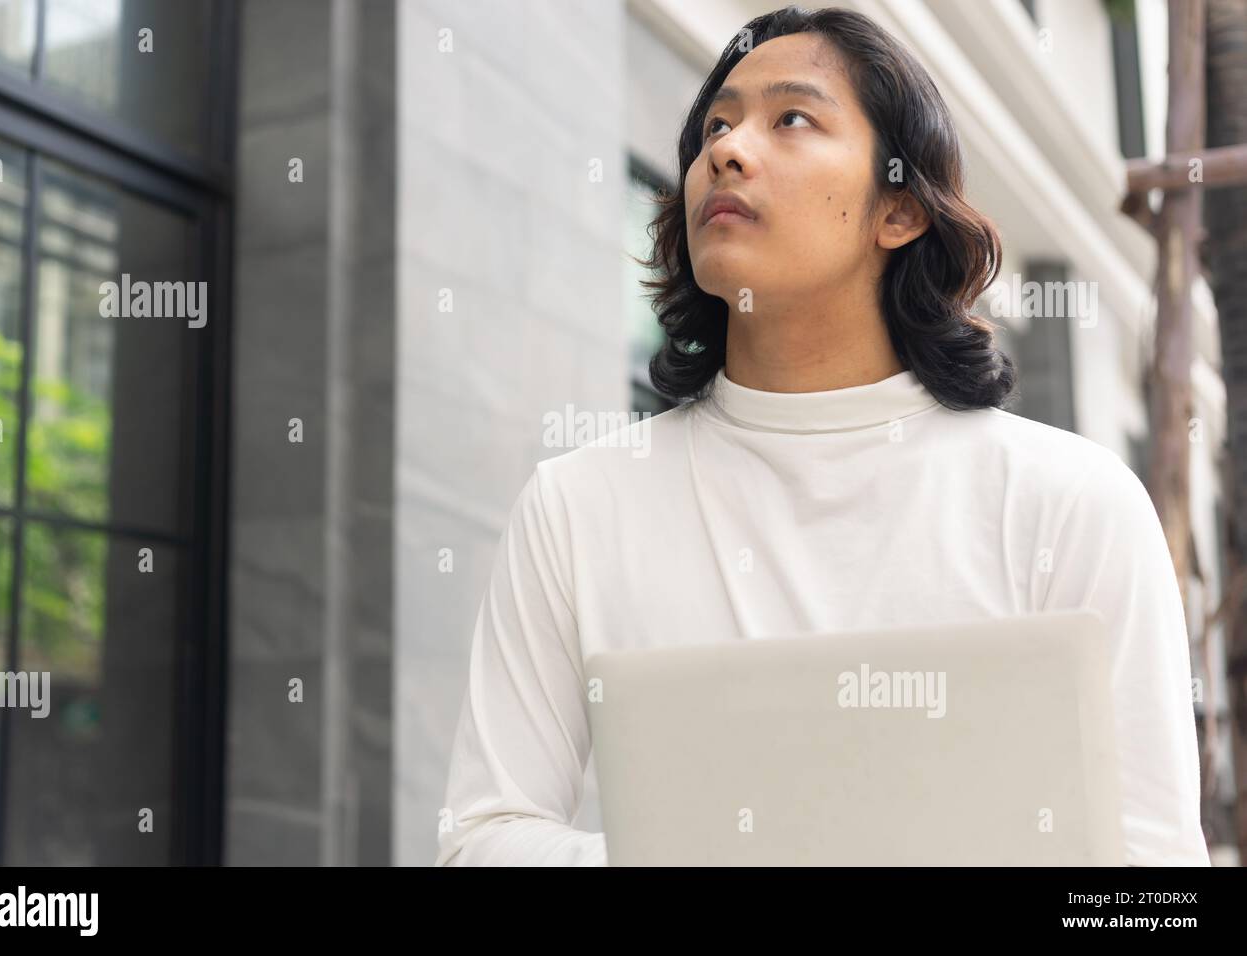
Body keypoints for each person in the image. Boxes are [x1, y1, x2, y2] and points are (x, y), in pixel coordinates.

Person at [434, 5, 1210, 866]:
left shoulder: (1070, 503)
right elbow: (481, 841)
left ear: (900, 209)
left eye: (791, 118)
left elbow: (1153, 886)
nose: (726, 151)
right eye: (715, 128)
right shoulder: (577, 507)